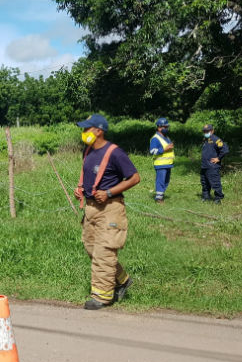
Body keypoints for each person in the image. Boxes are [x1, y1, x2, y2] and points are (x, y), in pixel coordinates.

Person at [74, 114, 140, 310]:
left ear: (99, 131)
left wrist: (110, 192)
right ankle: (123, 280)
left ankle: (102, 296)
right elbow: (90, 176)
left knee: (104, 253)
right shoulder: (87, 151)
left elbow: (134, 178)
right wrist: (81, 190)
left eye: (87, 129)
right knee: (92, 249)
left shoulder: (115, 153)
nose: (84, 132)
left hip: (110, 209)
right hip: (91, 208)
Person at [200, 124, 229, 204]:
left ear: (212, 131)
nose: (205, 132)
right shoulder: (205, 139)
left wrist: (218, 158)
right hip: (204, 165)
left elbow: (225, 150)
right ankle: (206, 197)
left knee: (215, 182)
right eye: (204, 131)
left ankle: (218, 198)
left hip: (212, 166)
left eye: (207, 131)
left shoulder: (216, 139)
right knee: (204, 182)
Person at [149, 117, 175, 203]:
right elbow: (152, 151)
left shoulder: (166, 137)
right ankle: (158, 199)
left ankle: (161, 195)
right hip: (160, 164)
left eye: (167, 127)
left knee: (166, 181)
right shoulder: (155, 138)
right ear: (159, 127)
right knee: (160, 181)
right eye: (165, 127)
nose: (166, 128)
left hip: (168, 163)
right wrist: (164, 149)